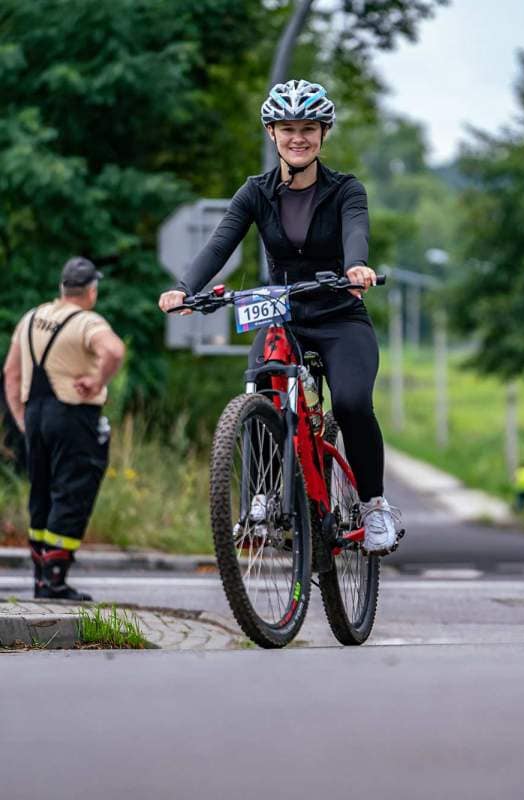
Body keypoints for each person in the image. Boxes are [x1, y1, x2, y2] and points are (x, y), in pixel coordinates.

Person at [158, 79, 400, 554]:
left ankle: (374, 507)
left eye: (308, 128)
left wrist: (356, 267)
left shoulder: (346, 189)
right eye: (287, 128)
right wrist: (185, 289)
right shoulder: (255, 193)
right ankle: (263, 498)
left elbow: (356, 230)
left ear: (323, 133)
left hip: (338, 315)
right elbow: (220, 243)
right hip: (282, 313)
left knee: (351, 403)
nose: (298, 137)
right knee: (262, 390)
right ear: (272, 133)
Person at [3, 257, 125, 600]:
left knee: (40, 493)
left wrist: (21, 418)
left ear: (62, 288)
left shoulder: (30, 318)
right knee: (72, 492)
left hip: (36, 415)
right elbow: (114, 350)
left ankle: (42, 578)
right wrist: (98, 378)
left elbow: (11, 374)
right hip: (73, 416)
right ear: (91, 291)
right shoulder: (87, 321)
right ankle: (56, 579)